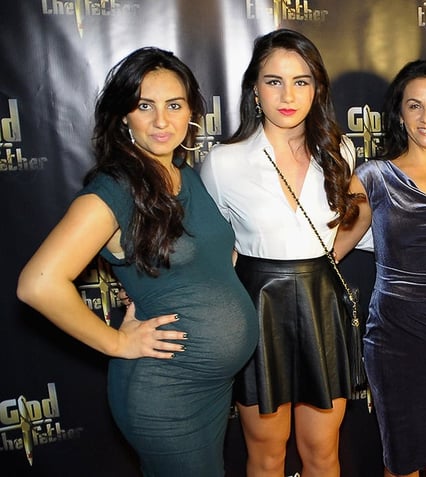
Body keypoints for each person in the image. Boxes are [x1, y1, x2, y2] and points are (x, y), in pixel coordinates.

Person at [16, 47, 258, 476]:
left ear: (191, 113)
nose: (162, 121)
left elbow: (202, 257)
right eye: (145, 106)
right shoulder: (114, 190)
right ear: (124, 115)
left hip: (211, 387)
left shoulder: (184, 174)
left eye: (174, 105)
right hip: (166, 392)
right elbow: (38, 283)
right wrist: (117, 342)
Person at [199, 29, 358, 477]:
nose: (288, 95)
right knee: (266, 455)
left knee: (323, 452)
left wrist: (329, 258)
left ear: (318, 88)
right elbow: (209, 250)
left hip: (321, 310)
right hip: (256, 310)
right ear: (254, 88)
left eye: (301, 81)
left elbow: (359, 212)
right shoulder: (224, 162)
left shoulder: (339, 151)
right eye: (274, 81)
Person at [333, 60, 426, 477]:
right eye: (414, 106)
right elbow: (331, 249)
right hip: (396, 335)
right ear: (399, 113)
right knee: (400, 457)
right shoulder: (373, 177)